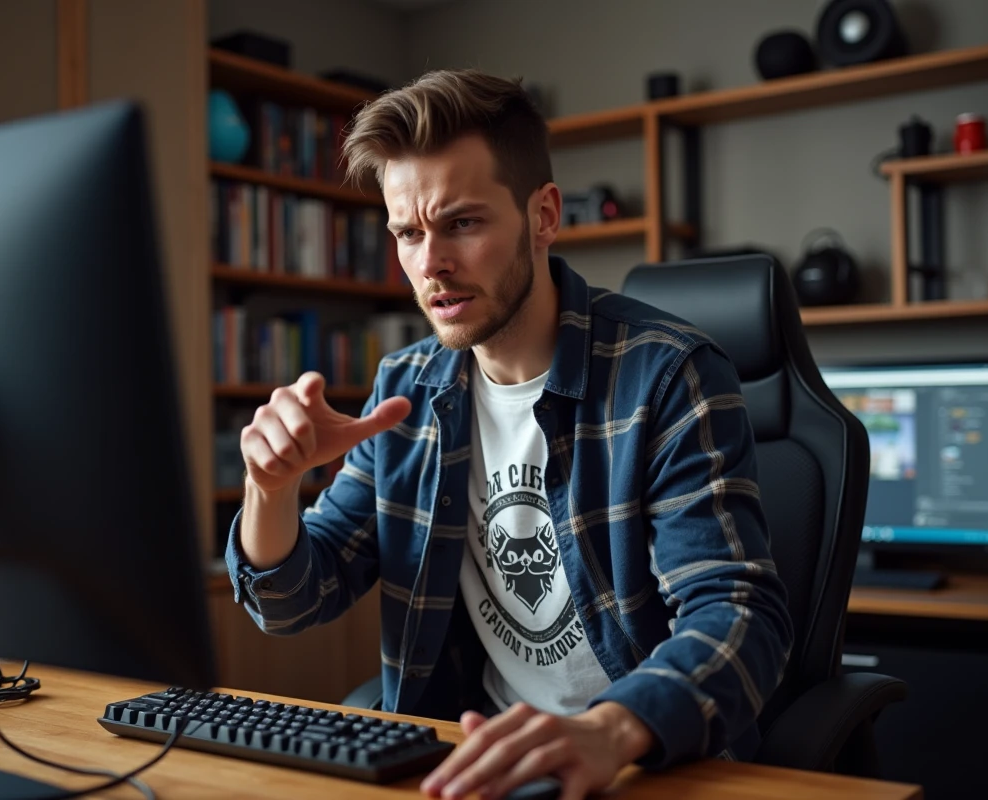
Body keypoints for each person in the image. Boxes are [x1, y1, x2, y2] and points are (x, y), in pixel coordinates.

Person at [225, 68, 794, 800]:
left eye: (462, 223)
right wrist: (269, 489)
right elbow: (297, 599)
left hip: (640, 764)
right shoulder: (408, 390)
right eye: (408, 233)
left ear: (543, 215)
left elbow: (738, 613)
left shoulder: (664, 375)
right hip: (473, 767)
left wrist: (611, 729)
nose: (431, 264)